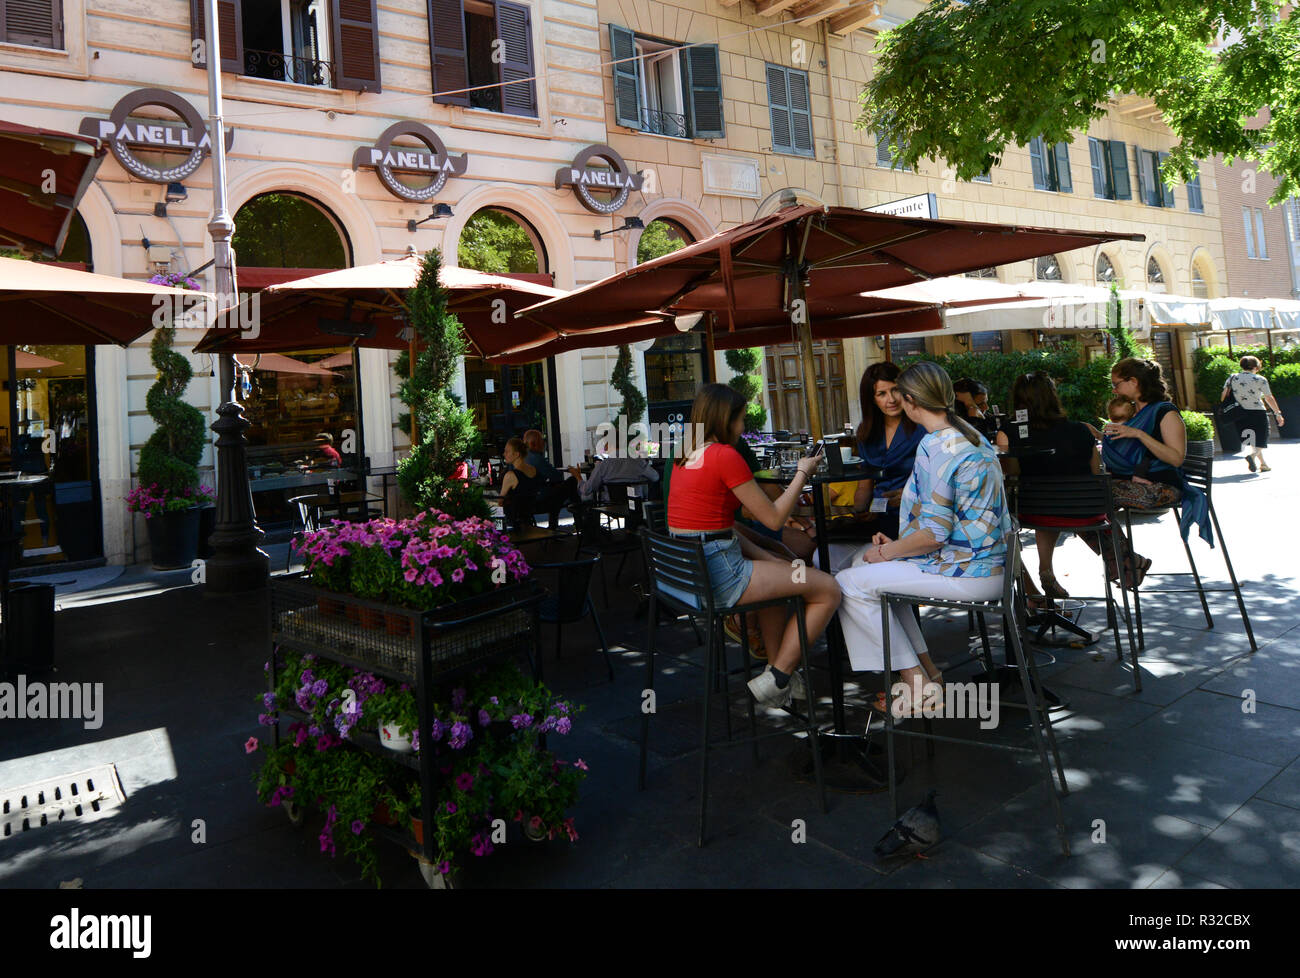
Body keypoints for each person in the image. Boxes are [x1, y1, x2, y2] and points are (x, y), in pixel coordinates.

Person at [835, 362, 1013, 717]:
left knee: (847, 582)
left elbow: (933, 535)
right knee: (869, 572)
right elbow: (944, 523)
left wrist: (889, 550)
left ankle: (917, 685)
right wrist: (896, 548)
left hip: (969, 571)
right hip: (992, 565)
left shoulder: (937, 446)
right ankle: (927, 673)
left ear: (911, 400)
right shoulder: (970, 437)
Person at [666, 384, 841, 708]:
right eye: (741, 419)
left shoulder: (686, 453)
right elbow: (773, 518)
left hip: (690, 575)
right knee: (828, 589)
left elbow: (725, 524)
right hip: (721, 573)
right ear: (725, 418)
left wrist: (770, 557)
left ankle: (782, 681)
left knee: (779, 586)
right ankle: (778, 676)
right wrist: (802, 473)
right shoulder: (724, 456)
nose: (743, 427)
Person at [1100, 357, 1209, 587]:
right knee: (1082, 504)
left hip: (1164, 487)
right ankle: (1128, 561)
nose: (1114, 389)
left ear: (1134, 381)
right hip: (1133, 484)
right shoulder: (1132, 413)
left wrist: (1138, 435)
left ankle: (1125, 562)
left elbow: (1176, 457)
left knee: (1091, 498)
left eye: (1117, 383)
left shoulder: (1164, 412)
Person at [995, 372, 1101, 599]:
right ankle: (1123, 562)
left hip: (1034, 510)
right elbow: (1096, 473)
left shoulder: (1009, 432)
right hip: (1086, 512)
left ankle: (1032, 596)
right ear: (1053, 396)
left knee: (999, 528)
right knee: (1054, 504)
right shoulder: (1082, 430)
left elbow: (1012, 473)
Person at [851, 362, 925, 543]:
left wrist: (910, 495)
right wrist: (859, 510)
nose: (891, 399)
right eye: (881, 394)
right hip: (879, 516)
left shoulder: (922, 427)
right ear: (872, 399)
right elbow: (865, 484)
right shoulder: (866, 432)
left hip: (917, 516)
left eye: (895, 390)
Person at [1222, 356, 1284, 473]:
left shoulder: (1232, 378)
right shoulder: (1260, 379)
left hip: (1239, 412)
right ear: (1256, 367)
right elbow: (1269, 398)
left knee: (1252, 439)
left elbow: (1223, 395)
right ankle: (1253, 455)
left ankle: (1263, 464)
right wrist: (1277, 413)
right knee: (1262, 438)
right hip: (1257, 412)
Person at [499, 437, 541, 528]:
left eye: (507, 451)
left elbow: (500, 501)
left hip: (513, 519)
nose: (504, 454)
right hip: (529, 515)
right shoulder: (534, 470)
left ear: (517, 454)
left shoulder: (510, 475)